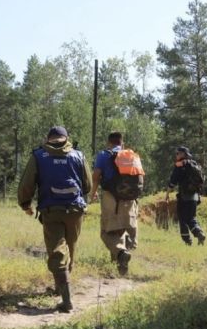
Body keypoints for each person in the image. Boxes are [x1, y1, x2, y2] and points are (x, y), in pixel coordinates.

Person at [18, 126, 92, 313]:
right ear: (66, 138)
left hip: (51, 210)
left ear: (48, 138)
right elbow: (88, 185)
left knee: (57, 251)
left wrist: (25, 204)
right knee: (70, 247)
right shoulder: (78, 156)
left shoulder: (39, 156)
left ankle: (66, 301)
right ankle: (61, 287)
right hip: (75, 210)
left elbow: (27, 184)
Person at [90, 132, 144, 275]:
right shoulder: (133, 156)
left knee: (107, 232)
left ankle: (120, 253)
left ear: (109, 142)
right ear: (122, 143)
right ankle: (120, 268)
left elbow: (96, 176)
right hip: (131, 199)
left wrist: (92, 192)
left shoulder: (104, 155)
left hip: (111, 198)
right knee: (122, 230)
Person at [165, 146, 206, 245]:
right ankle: (198, 233)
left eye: (178, 153)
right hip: (195, 196)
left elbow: (173, 181)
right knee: (191, 217)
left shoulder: (180, 165)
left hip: (184, 196)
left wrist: (167, 193)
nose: (176, 155)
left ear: (183, 154)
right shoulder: (194, 164)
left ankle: (189, 239)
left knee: (183, 218)